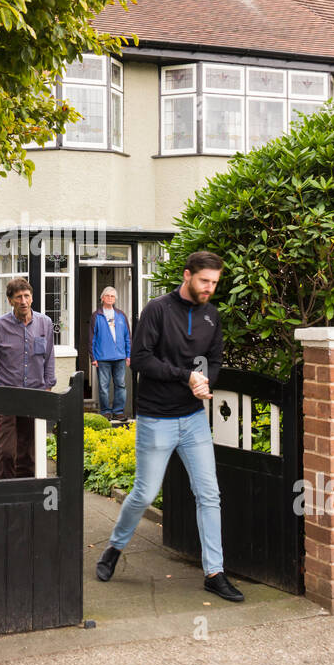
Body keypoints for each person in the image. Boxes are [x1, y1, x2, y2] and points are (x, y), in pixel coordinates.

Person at [95, 250, 244, 602]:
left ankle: (214, 572)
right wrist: (187, 377)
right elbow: (142, 361)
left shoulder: (211, 316)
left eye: (215, 283)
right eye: (205, 281)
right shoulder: (157, 310)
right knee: (144, 494)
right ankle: (113, 549)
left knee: (209, 494)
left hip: (193, 420)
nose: (210, 288)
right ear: (188, 275)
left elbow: (215, 360)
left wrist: (205, 381)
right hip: (156, 418)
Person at [0, 277, 55, 478]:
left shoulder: (45, 323)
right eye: (18, 297)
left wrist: (47, 388)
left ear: (32, 298)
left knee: (29, 453)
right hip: (7, 397)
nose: (23, 301)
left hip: (34, 396)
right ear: (10, 300)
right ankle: (6, 493)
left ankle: (26, 494)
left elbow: (49, 358)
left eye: (26, 296)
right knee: (6, 452)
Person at [89, 287, 131, 419]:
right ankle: (105, 411)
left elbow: (127, 337)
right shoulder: (96, 315)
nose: (110, 298)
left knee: (121, 385)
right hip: (102, 358)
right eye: (107, 296)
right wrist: (93, 357)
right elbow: (92, 338)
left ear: (115, 299)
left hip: (120, 357)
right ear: (102, 298)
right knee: (103, 386)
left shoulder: (121, 315)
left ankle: (118, 412)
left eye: (113, 296)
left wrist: (128, 355)